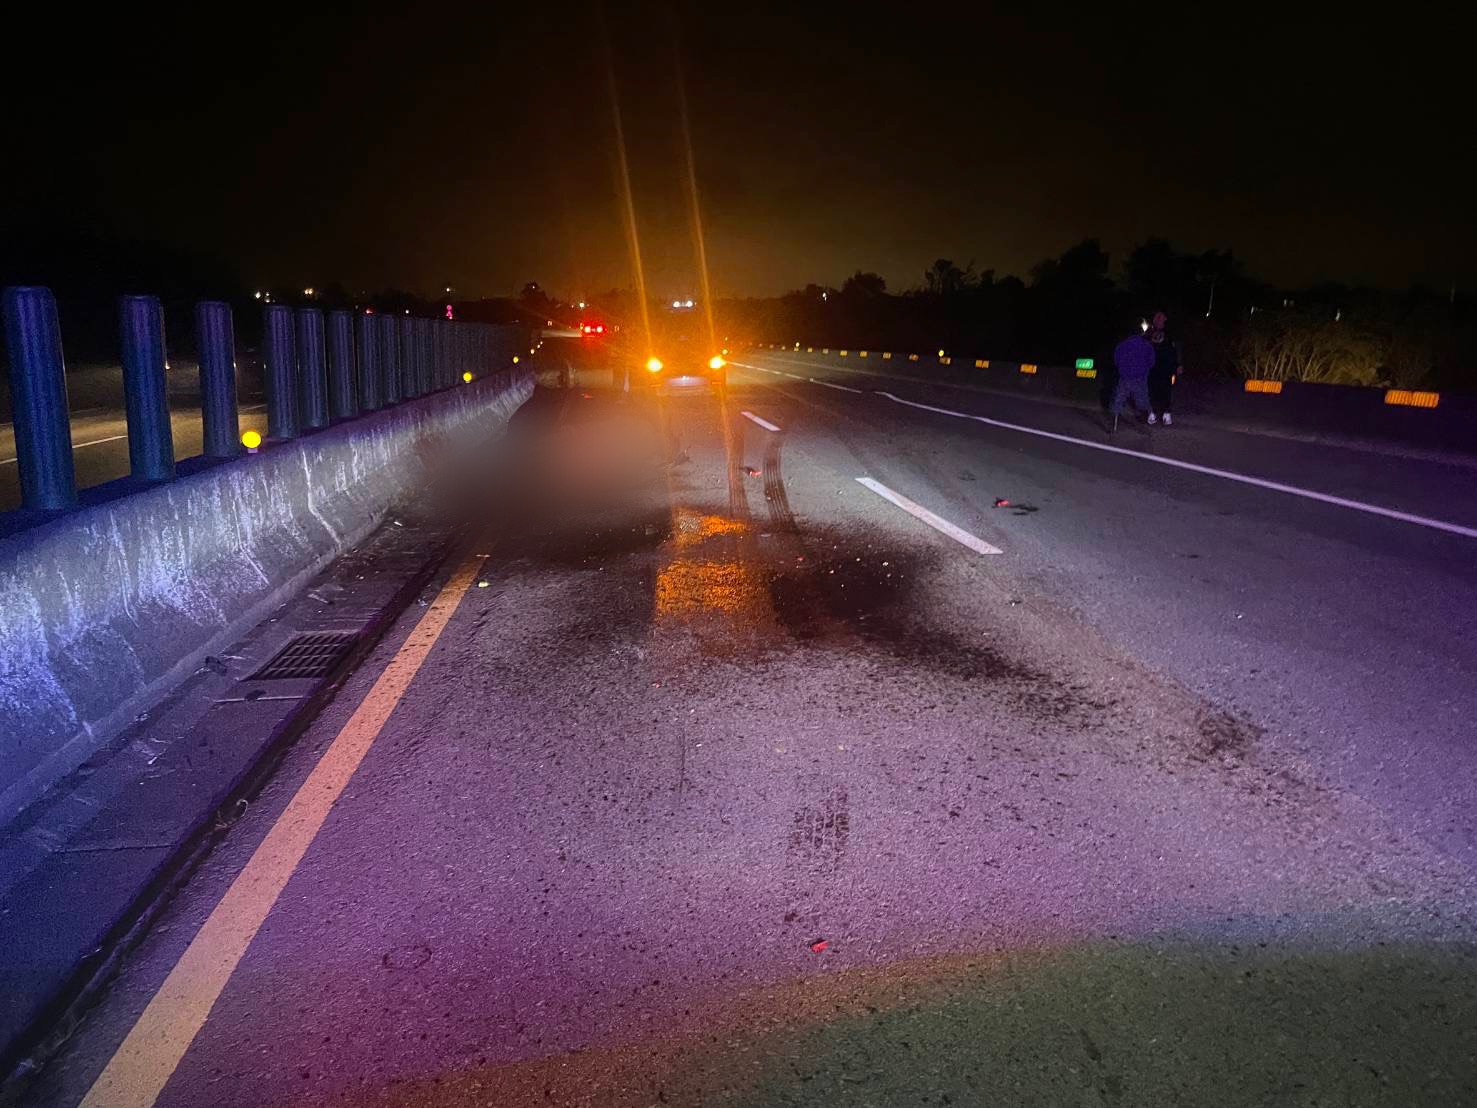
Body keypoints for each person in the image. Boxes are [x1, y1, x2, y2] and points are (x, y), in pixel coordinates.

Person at [1110, 323, 1155, 431]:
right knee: (1142, 399)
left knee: (1119, 399)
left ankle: (1114, 425)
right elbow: (1151, 361)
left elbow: (1116, 359)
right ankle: (1146, 423)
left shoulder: (1122, 345)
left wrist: (1122, 369)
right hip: (1140, 377)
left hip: (1125, 376)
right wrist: (1145, 370)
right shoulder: (1146, 345)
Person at [1147, 311, 1181, 425]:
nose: (1160, 321)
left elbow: (1176, 351)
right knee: (1151, 390)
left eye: (1162, 319)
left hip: (1167, 367)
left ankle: (1167, 413)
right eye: (1158, 319)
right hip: (1152, 367)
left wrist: (1178, 365)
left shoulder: (1170, 334)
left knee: (1167, 390)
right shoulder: (1149, 333)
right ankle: (1151, 413)